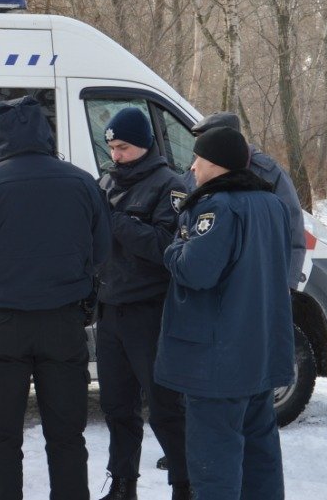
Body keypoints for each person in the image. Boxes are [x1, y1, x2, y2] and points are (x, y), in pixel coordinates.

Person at [0, 96, 112, 500]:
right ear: (44, 131)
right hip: (63, 323)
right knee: (66, 435)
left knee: (0, 436)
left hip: (1, 327)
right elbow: (102, 251)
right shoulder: (82, 181)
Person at [157, 126, 295, 500]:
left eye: (197, 159)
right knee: (259, 455)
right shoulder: (272, 204)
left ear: (214, 164)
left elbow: (195, 271)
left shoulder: (216, 206)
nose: (192, 167)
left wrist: (175, 246)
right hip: (258, 352)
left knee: (214, 460)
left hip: (217, 360)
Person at [94, 108, 190, 500]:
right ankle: (122, 485)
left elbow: (167, 247)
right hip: (109, 308)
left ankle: (185, 485)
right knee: (117, 407)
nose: (116, 155)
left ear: (145, 144)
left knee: (165, 409)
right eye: (112, 147)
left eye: (124, 147)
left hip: (149, 311)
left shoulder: (170, 185)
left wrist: (115, 220)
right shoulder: (106, 182)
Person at [185, 112, 306, 289]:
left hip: (253, 279)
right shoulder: (197, 170)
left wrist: (287, 284)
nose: (200, 157)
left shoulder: (268, 172)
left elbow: (292, 230)